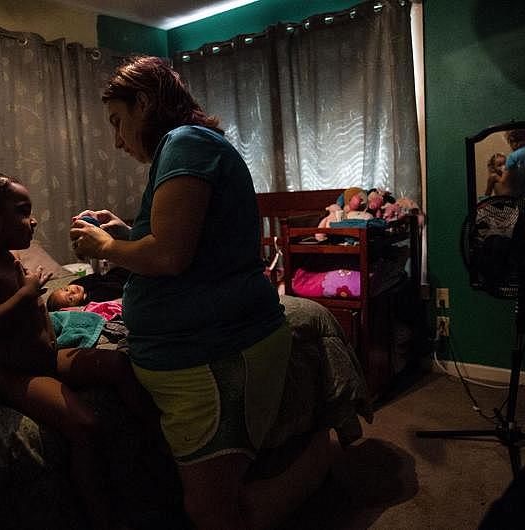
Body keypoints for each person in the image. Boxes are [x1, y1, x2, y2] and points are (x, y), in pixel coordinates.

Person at [69, 56, 331, 530]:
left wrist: (107, 246)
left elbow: (169, 256)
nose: (116, 139)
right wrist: (128, 231)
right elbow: (193, 245)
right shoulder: (184, 147)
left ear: (144, 102)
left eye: (117, 121)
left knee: (210, 511)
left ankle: (319, 458)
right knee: (204, 497)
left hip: (216, 351)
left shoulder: (184, 143)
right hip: (194, 347)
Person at [0, 169, 155, 530]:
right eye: (23, 211)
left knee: (119, 365)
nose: (33, 220)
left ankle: (157, 444)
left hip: (45, 357)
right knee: (85, 423)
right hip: (12, 371)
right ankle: (100, 514)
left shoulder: (11, 260)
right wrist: (26, 294)